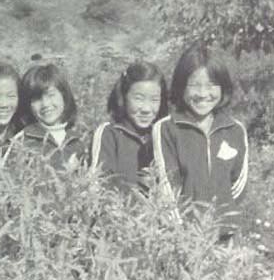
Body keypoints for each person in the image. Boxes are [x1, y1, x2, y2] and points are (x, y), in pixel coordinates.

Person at [152, 45, 248, 237]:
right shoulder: (167, 128)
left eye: (211, 85)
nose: (203, 93)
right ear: (181, 86)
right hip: (183, 236)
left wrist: (223, 217)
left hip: (225, 237)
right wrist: (182, 232)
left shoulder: (235, 130)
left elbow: (239, 184)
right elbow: (167, 185)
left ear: (223, 87)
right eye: (194, 85)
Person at [90, 60, 168, 193]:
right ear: (124, 97)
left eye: (154, 100)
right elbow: (98, 184)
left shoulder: (165, 134)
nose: (146, 109)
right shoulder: (109, 134)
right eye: (139, 98)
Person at [17, 63, 85, 169]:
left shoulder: (77, 141)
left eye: (51, 95)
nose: (45, 104)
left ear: (64, 95)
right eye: (37, 98)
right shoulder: (22, 142)